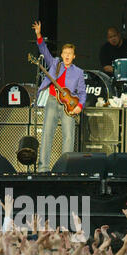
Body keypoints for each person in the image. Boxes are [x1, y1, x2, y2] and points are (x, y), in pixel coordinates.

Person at [32, 21, 86, 173]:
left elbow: (82, 93)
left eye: (70, 54)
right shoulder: (55, 63)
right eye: (65, 53)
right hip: (52, 101)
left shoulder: (79, 72)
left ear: (74, 56)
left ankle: (65, 170)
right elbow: (44, 49)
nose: (67, 56)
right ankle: (43, 168)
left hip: (69, 105)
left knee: (68, 137)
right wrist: (38, 35)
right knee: (47, 134)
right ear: (62, 55)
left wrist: (79, 106)